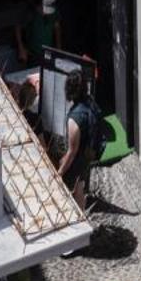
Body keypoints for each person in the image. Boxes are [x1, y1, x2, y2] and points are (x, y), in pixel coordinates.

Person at [58, 67, 101, 213]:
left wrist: (60, 172)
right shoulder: (91, 102)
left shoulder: (74, 119)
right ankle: (82, 214)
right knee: (80, 185)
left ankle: (77, 217)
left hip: (77, 160)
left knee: (73, 188)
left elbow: (72, 151)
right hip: (88, 154)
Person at [14, 0, 62, 66]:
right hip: (33, 52)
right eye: (40, 8)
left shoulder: (53, 12)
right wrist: (21, 48)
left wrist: (59, 48)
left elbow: (57, 28)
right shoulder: (31, 14)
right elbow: (18, 27)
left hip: (48, 51)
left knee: (48, 69)